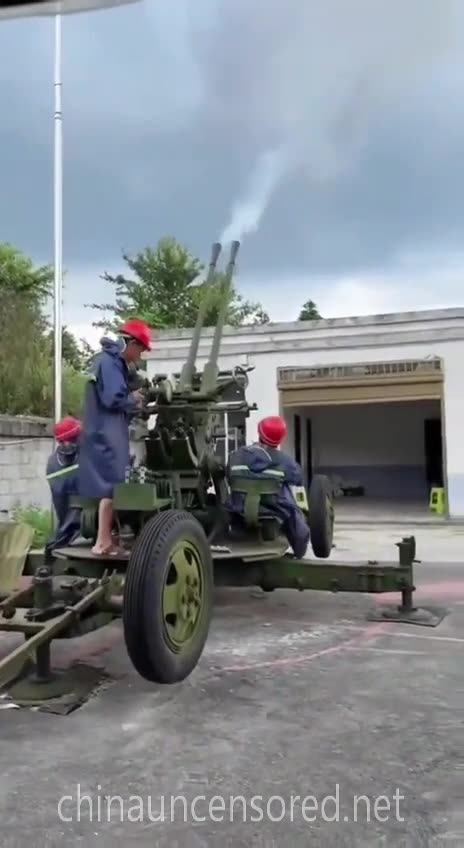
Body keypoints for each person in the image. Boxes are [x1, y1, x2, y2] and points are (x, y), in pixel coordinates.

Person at [78, 318, 152, 555]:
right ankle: (102, 542)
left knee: (109, 487)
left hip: (101, 428)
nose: (139, 355)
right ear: (130, 343)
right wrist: (135, 398)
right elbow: (112, 399)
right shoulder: (111, 363)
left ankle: (105, 539)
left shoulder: (107, 361)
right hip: (107, 431)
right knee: (113, 484)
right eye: (140, 349)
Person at [226, 415, 310, 559]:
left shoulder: (235, 456)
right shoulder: (286, 462)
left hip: (238, 508)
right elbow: (298, 480)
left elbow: (229, 477)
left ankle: (239, 533)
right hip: (273, 509)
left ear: (259, 433)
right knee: (293, 506)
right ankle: (299, 551)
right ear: (280, 438)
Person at [44, 415, 82, 564]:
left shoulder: (53, 461)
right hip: (74, 520)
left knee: (64, 527)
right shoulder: (80, 458)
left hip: (67, 519)